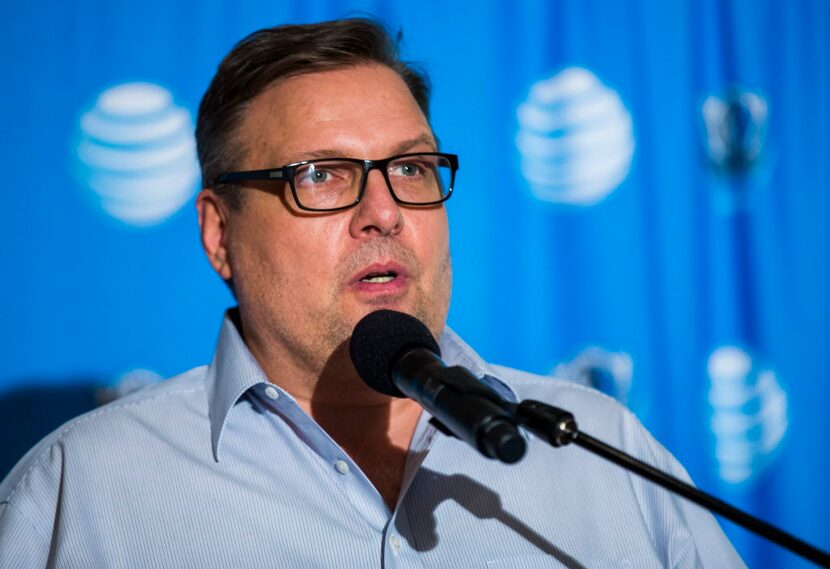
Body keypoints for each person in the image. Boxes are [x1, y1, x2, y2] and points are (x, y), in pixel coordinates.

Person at [0, 18, 744, 568]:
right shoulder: (80, 491)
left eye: (413, 169)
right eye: (320, 175)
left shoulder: (600, 450)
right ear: (219, 233)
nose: (384, 211)